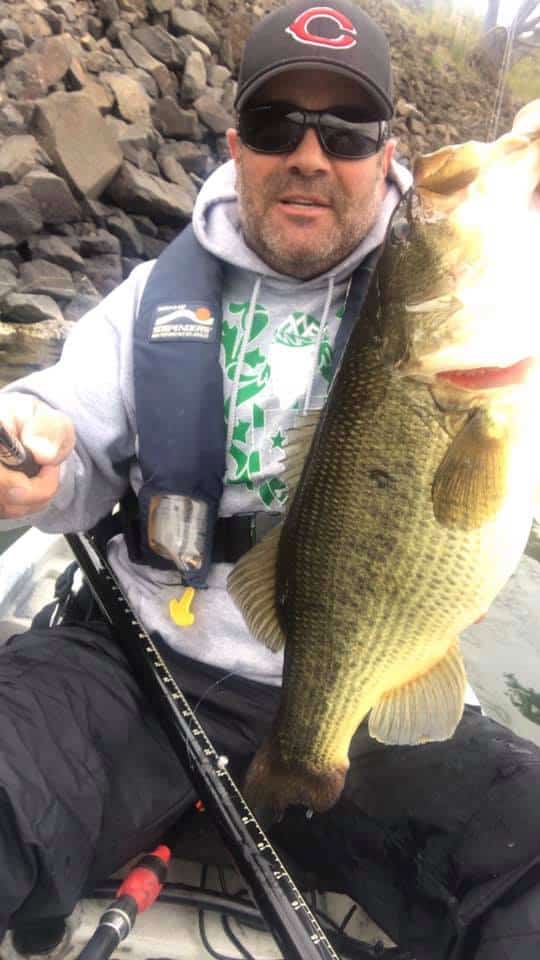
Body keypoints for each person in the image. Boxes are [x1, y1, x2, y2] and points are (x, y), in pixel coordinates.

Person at [0, 1, 538, 957]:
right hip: (136, 668)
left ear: (386, 154)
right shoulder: (153, 300)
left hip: (365, 693)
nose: (310, 154)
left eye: (346, 131)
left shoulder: (482, 313)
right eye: (276, 123)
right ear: (235, 141)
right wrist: (38, 457)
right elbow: (68, 449)